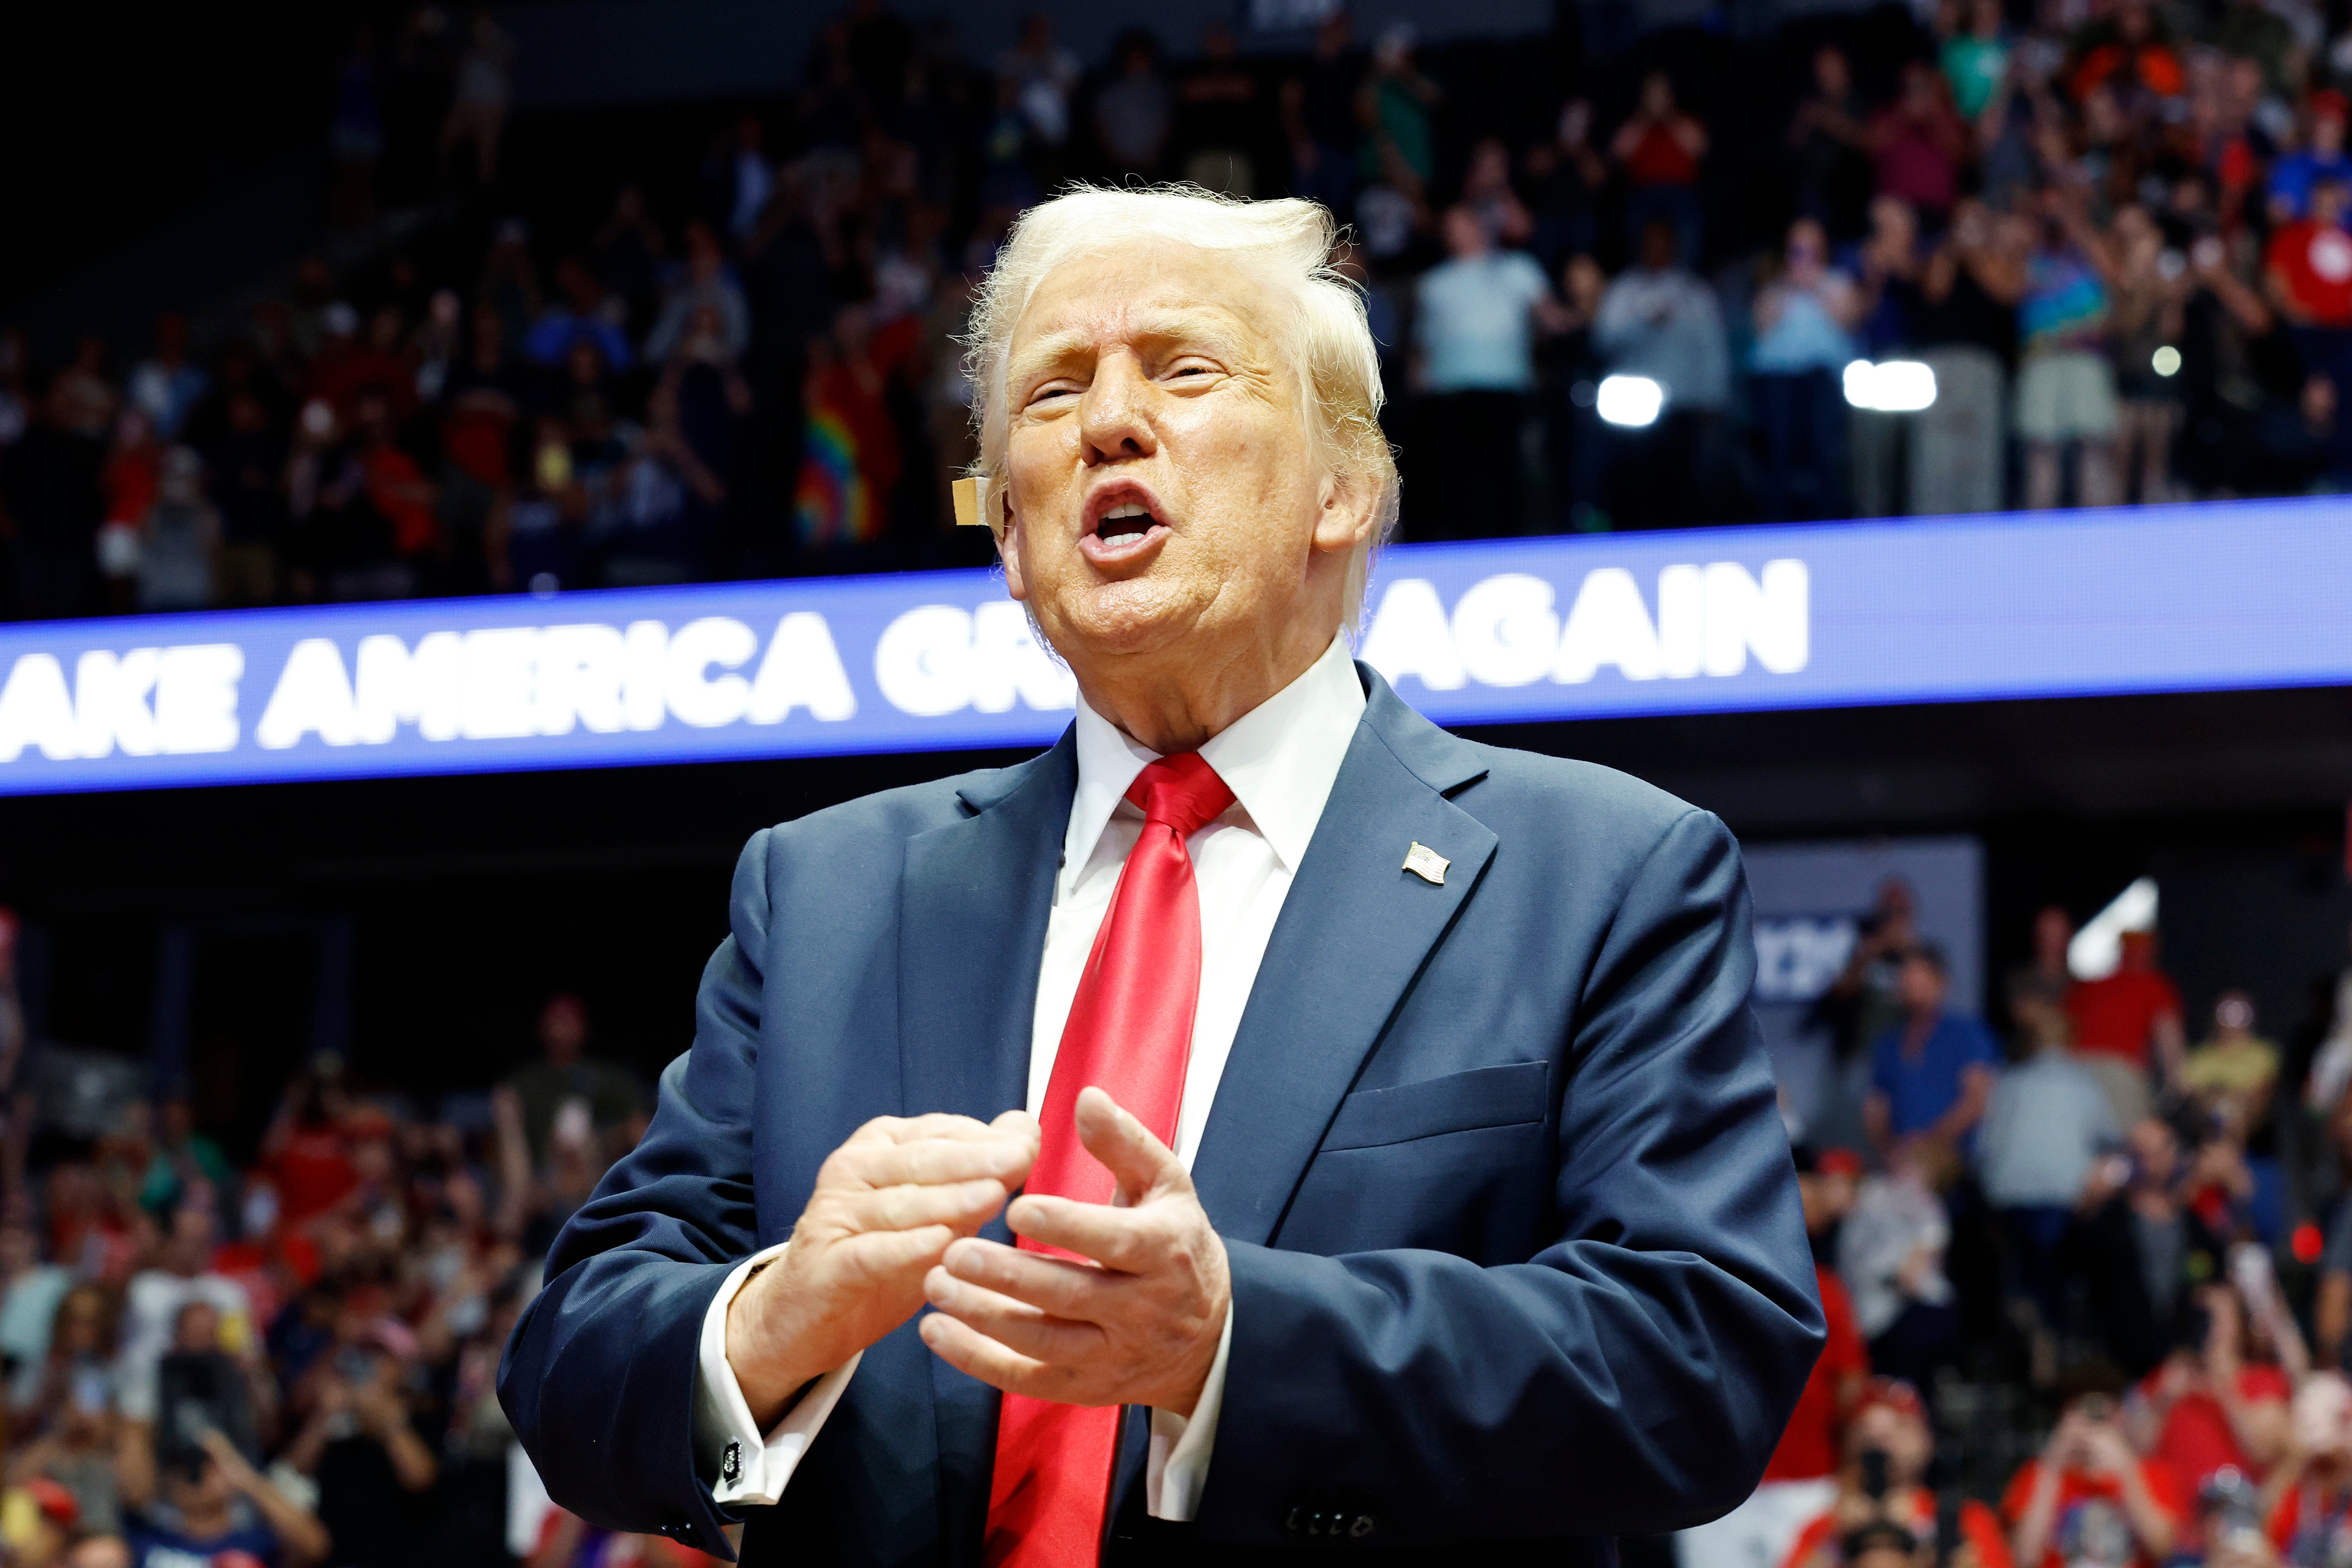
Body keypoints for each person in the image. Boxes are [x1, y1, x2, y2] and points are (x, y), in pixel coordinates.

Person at [501, 185, 1823, 1565]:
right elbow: (570, 1359)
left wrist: (1235, 1344)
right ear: (1010, 536)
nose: (1108, 423)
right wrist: (771, 1322)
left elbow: (1699, 1359)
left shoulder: (1602, 873)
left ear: (1344, 491)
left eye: (1183, 370)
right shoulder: (823, 892)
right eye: (1051, 394)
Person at [1679, 1147, 1867, 1568]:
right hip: (1715, 1488)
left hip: (1803, 1484)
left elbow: (1850, 1397)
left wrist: (1849, 1480)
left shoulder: (1828, 1291)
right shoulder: (1703, 1279)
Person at [1409, 206, 1563, 539]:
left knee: (1506, 476)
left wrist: (1585, 312)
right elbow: (1423, 343)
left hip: (1505, 390)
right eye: (1449, 227)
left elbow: (1552, 319)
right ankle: (1460, 550)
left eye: (1463, 223)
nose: (1456, 232)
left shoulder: (1518, 268)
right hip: (1449, 394)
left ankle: (1509, 547)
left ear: (1479, 226)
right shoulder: (1434, 283)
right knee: (1457, 480)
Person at [1977, 987, 2118, 1342]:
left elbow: (1984, 1148)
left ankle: (2028, 1332)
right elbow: (2111, 1138)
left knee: (2023, 1272)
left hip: (2008, 1204)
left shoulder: (2008, 1083)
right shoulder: (2083, 1084)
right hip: (2061, 1204)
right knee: (2052, 1274)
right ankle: (2050, 1338)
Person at [1778, 1378, 2012, 1568]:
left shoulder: (1967, 1521)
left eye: (1898, 1427)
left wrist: (1925, 1538)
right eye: (1865, 1430)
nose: (1879, 1440)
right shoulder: (1825, 1528)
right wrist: (1836, 1541)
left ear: (1926, 1441)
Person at [2003, 1374, 2187, 1568]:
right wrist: (2053, 1464)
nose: (2093, 1422)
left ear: (2122, 1416)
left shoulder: (2152, 1473)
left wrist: (2126, 1471)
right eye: (2083, 1411)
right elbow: (2025, 1558)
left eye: (2104, 1414)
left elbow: (2163, 1549)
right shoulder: (2038, 1474)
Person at [1750, 218, 1861, 521]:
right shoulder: (1775, 286)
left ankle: (1827, 524)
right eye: (1797, 250)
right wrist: (1785, 286)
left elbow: (1849, 321)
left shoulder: (1837, 282)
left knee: (1824, 451)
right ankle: (1775, 524)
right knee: (1778, 452)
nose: (1804, 256)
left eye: (1810, 249)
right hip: (1777, 377)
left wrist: (1816, 287)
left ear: (1823, 250)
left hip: (1822, 377)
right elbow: (1760, 328)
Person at [1863, 945, 1999, 1157]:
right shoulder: (1888, 1044)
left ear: (1941, 982)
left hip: (1954, 1166)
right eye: (1906, 976)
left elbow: (1977, 1102)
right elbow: (1876, 1108)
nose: (1911, 984)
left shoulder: (1967, 1034)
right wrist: (1892, 1152)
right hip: (1902, 1168)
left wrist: (1928, 1145)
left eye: (1919, 976)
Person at [2068, 930, 2187, 1125]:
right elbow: (2169, 1038)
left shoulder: (2089, 987)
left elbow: (2060, 1032)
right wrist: (2177, 1089)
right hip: (2119, 1074)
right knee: (2135, 1149)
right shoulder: (2156, 985)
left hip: (2074, 1073)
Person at [1614, 72, 1708, 265]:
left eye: (1661, 94)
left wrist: (1669, 118)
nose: (1656, 99)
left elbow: (1701, 148)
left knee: (1689, 224)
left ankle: (1684, 274)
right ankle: (1638, 275)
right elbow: (1618, 152)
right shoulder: (1637, 124)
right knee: (1632, 221)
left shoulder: (1683, 121)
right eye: (1651, 94)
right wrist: (1645, 120)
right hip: (1644, 190)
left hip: (1680, 190)